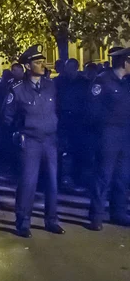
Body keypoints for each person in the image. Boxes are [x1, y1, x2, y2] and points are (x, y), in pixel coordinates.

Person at [3, 45, 64, 238]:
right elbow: (7, 116)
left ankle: (51, 220)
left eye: (42, 61)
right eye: (37, 62)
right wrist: (17, 133)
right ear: (28, 66)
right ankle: (23, 222)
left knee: (52, 182)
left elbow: (57, 110)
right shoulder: (18, 89)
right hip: (30, 141)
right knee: (28, 182)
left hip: (50, 140)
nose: (42, 64)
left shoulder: (50, 85)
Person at [87, 47, 130, 231]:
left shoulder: (126, 82)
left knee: (122, 176)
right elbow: (93, 110)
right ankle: (96, 216)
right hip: (107, 134)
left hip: (124, 134)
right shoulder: (103, 81)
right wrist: (101, 132)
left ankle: (118, 212)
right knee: (103, 175)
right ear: (124, 62)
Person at [55, 59, 90, 190]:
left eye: (70, 68)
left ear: (76, 68)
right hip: (63, 119)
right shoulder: (59, 82)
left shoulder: (84, 83)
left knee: (78, 150)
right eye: (66, 68)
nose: (67, 71)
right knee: (60, 150)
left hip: (79, 121)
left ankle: (77, 178)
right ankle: (60, 179)